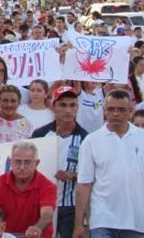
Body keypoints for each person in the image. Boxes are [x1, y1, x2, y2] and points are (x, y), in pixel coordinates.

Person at [74, 89, 144, 238]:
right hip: (102, 220)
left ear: (130, 111)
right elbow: (84, 184)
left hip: (135, 221)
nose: (116, 114)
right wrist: (78, 224)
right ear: (104, 111)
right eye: (111, 109)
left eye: (121, 109)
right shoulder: (91, 141)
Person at [32, 86, 87, 238]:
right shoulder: (40, 134)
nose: (68, 110)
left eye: (72, 105)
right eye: (63, 105)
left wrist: (73, 175)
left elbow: (93, 174)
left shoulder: (86, 139)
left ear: (77, 107)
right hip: (40, 204)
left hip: (70, 206)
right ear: (53, 106)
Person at [0, 140, 56, 238]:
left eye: (27, 162)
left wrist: (37, 228)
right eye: (18, 162)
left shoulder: (48, 186)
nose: (22, 167)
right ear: (10, 161)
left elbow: (47, 214)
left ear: (37, 163)